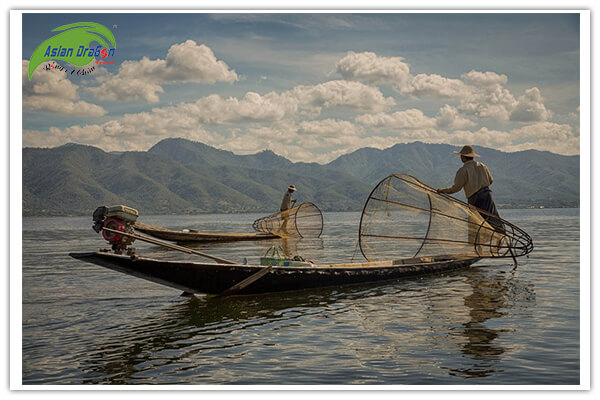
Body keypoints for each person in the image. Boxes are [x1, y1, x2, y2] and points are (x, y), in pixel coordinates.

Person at [437, 145, 504, 233]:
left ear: (463, 157)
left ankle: (479, 246)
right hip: (487, 196)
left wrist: (442, 191)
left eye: (461, 156)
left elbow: (456, 188)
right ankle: (500, 237)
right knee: (493, 219)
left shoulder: (463, 170)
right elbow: (490, 180)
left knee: (476, 225)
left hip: (475, 199)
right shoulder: (482, 166)